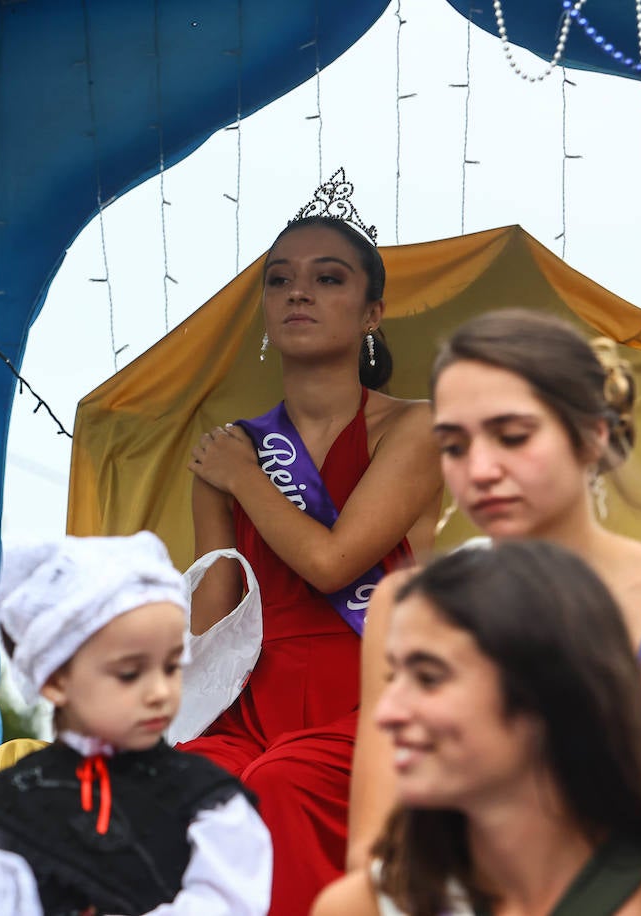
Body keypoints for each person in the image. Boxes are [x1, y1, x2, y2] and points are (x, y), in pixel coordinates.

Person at [348, 309, 641, 867]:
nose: (482, 469)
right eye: (454, 445)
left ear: (592, 435)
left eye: (512, 437)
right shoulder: (404, 607)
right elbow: (377, 848)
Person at [181, 207, 443, 911]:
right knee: (181, 787)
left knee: (283, 783)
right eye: (279, 280)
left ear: (372, 312)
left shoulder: (415, 426)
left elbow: (333, 566)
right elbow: (214, 617)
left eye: (328, 278)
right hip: (253, 697)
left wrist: (243, 479)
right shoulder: (232, 447)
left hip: (375, 686)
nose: (298, 293)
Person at [313, 541, 641, 916]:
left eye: (429, 678)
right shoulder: (362, 906)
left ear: (544, 696)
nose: (386, 714)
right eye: (393, 678)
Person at [0, 531, 272, 915]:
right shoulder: (8, 796)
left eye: (170, 667)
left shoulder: (207, 800)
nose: (160, 691)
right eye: (131, 673)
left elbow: (227, 903)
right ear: (56, 679)